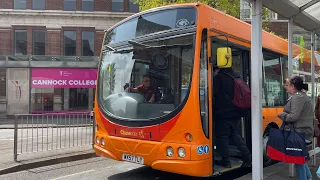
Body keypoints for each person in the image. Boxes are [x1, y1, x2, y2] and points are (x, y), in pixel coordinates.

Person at [213, 67, 252, 168]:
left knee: (223, 136)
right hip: (237, 112)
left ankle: (226, 161)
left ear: (219, 69)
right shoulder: (237, 76)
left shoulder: (219, 77)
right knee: (235, 135)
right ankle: (248, 156)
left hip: (224, 113)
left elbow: (214, 94)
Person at [278, 76, 313, 180]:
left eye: (287, 85)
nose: (285, 87)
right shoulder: (301, 96)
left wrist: (282, 115)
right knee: (301, 157)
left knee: (298, 160)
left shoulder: (297, 97)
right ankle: (309, 177)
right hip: (303, 132)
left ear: (293, 86)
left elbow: (293, 117)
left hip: (300, 133)